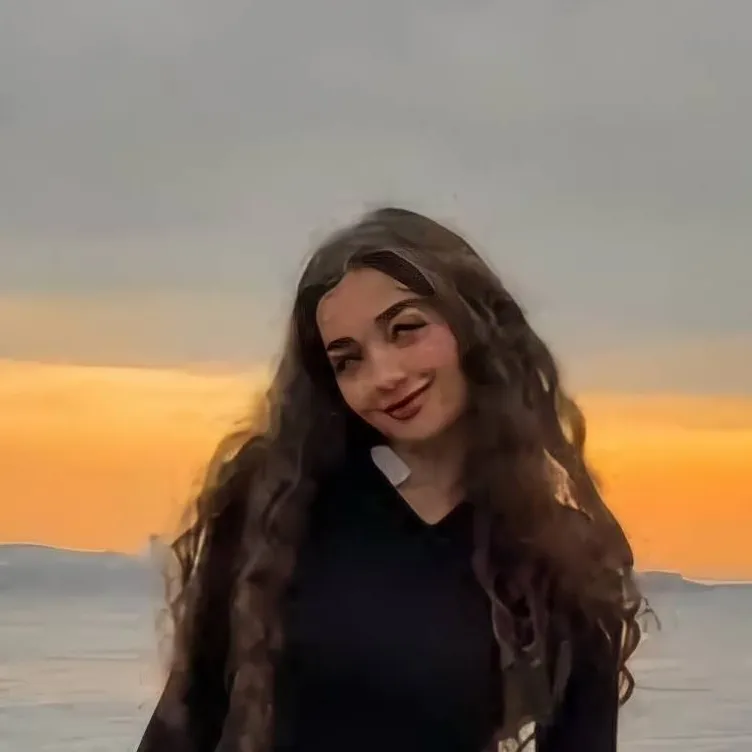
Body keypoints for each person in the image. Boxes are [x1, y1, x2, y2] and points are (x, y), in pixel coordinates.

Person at [137, 207, 646, 752]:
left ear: (474, 324)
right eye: (348, 360)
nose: (383, 376)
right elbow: (185, 722)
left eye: (405, 330)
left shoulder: (562, 557)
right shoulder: (275, 503)